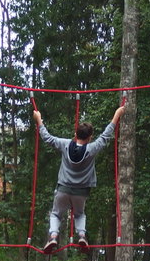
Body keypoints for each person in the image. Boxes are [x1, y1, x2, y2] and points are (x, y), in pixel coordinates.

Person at [33, 105, 126, 253]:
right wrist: (117, 115)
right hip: (81, 193)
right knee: (79, 214)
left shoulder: (64, 145)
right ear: (90, 137)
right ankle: (82, 235)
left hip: (63, 188)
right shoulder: (92, 148)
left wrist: (39, 120)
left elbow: (47, 138)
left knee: (56, 213)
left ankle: (53, 236)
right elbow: (106, 135)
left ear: (75, 134)